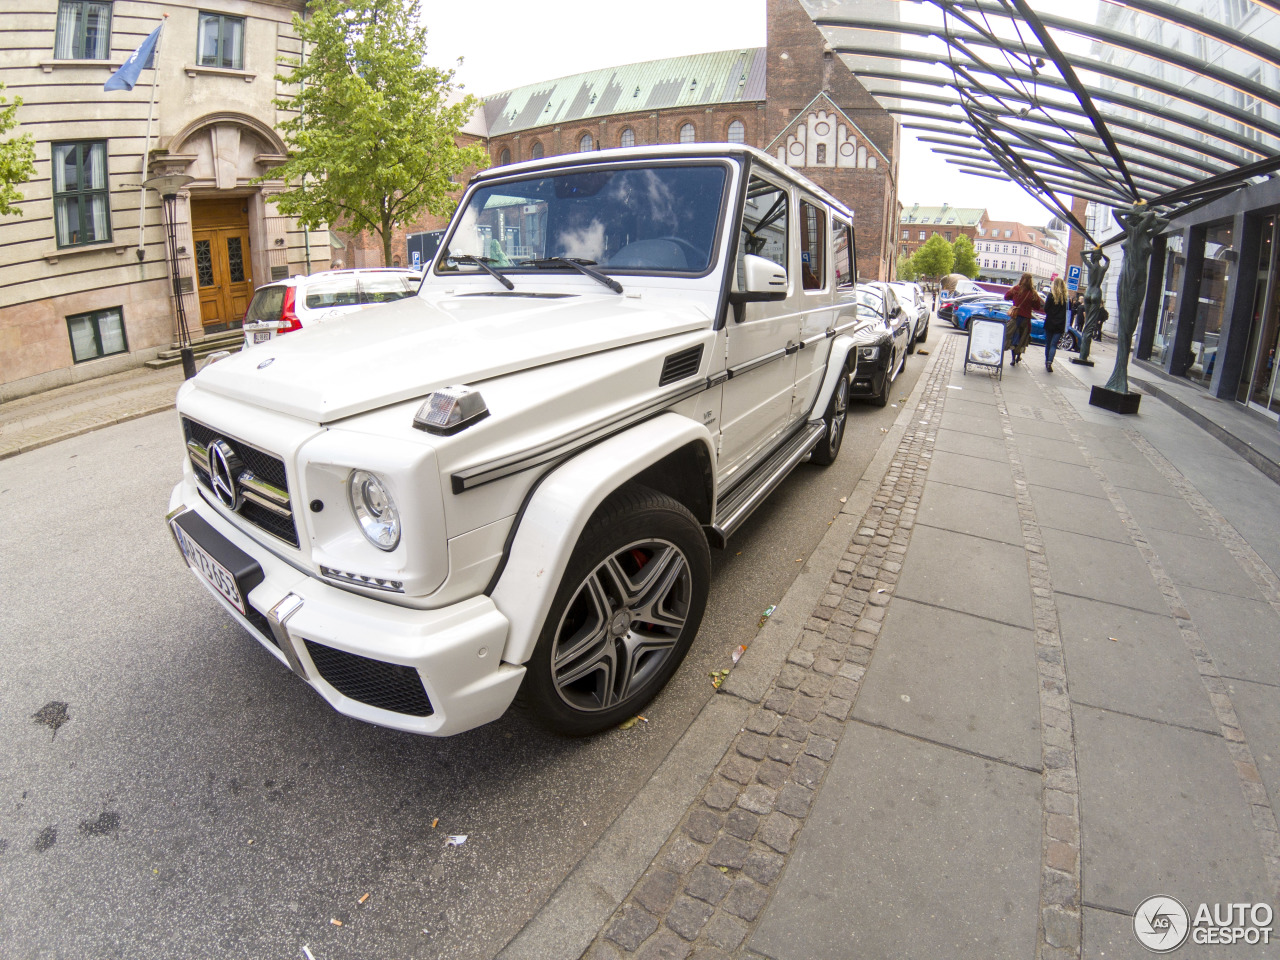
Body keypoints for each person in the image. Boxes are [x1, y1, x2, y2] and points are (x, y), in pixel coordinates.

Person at [1003, 272, 1042, 366]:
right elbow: (1037, 306)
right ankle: (1018, 356)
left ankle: (1013, 358)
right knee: (1022, 338)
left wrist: (1015, 300)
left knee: (1013, 337)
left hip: (1015, 318)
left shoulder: (1016, 289)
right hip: (1026, 320)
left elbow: (1006, 297)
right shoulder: (1033, 293)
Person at [1042, 277, 1069, 372]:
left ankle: (1046, 361)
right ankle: (1050, 362)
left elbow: (1045, 309)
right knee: (1054, 345)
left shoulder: (1050, 296)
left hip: (1049, 323)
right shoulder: (1065, 298)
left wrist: (1051, 313)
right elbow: (1068, 312)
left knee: (1048, 344)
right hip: (1060, 324)